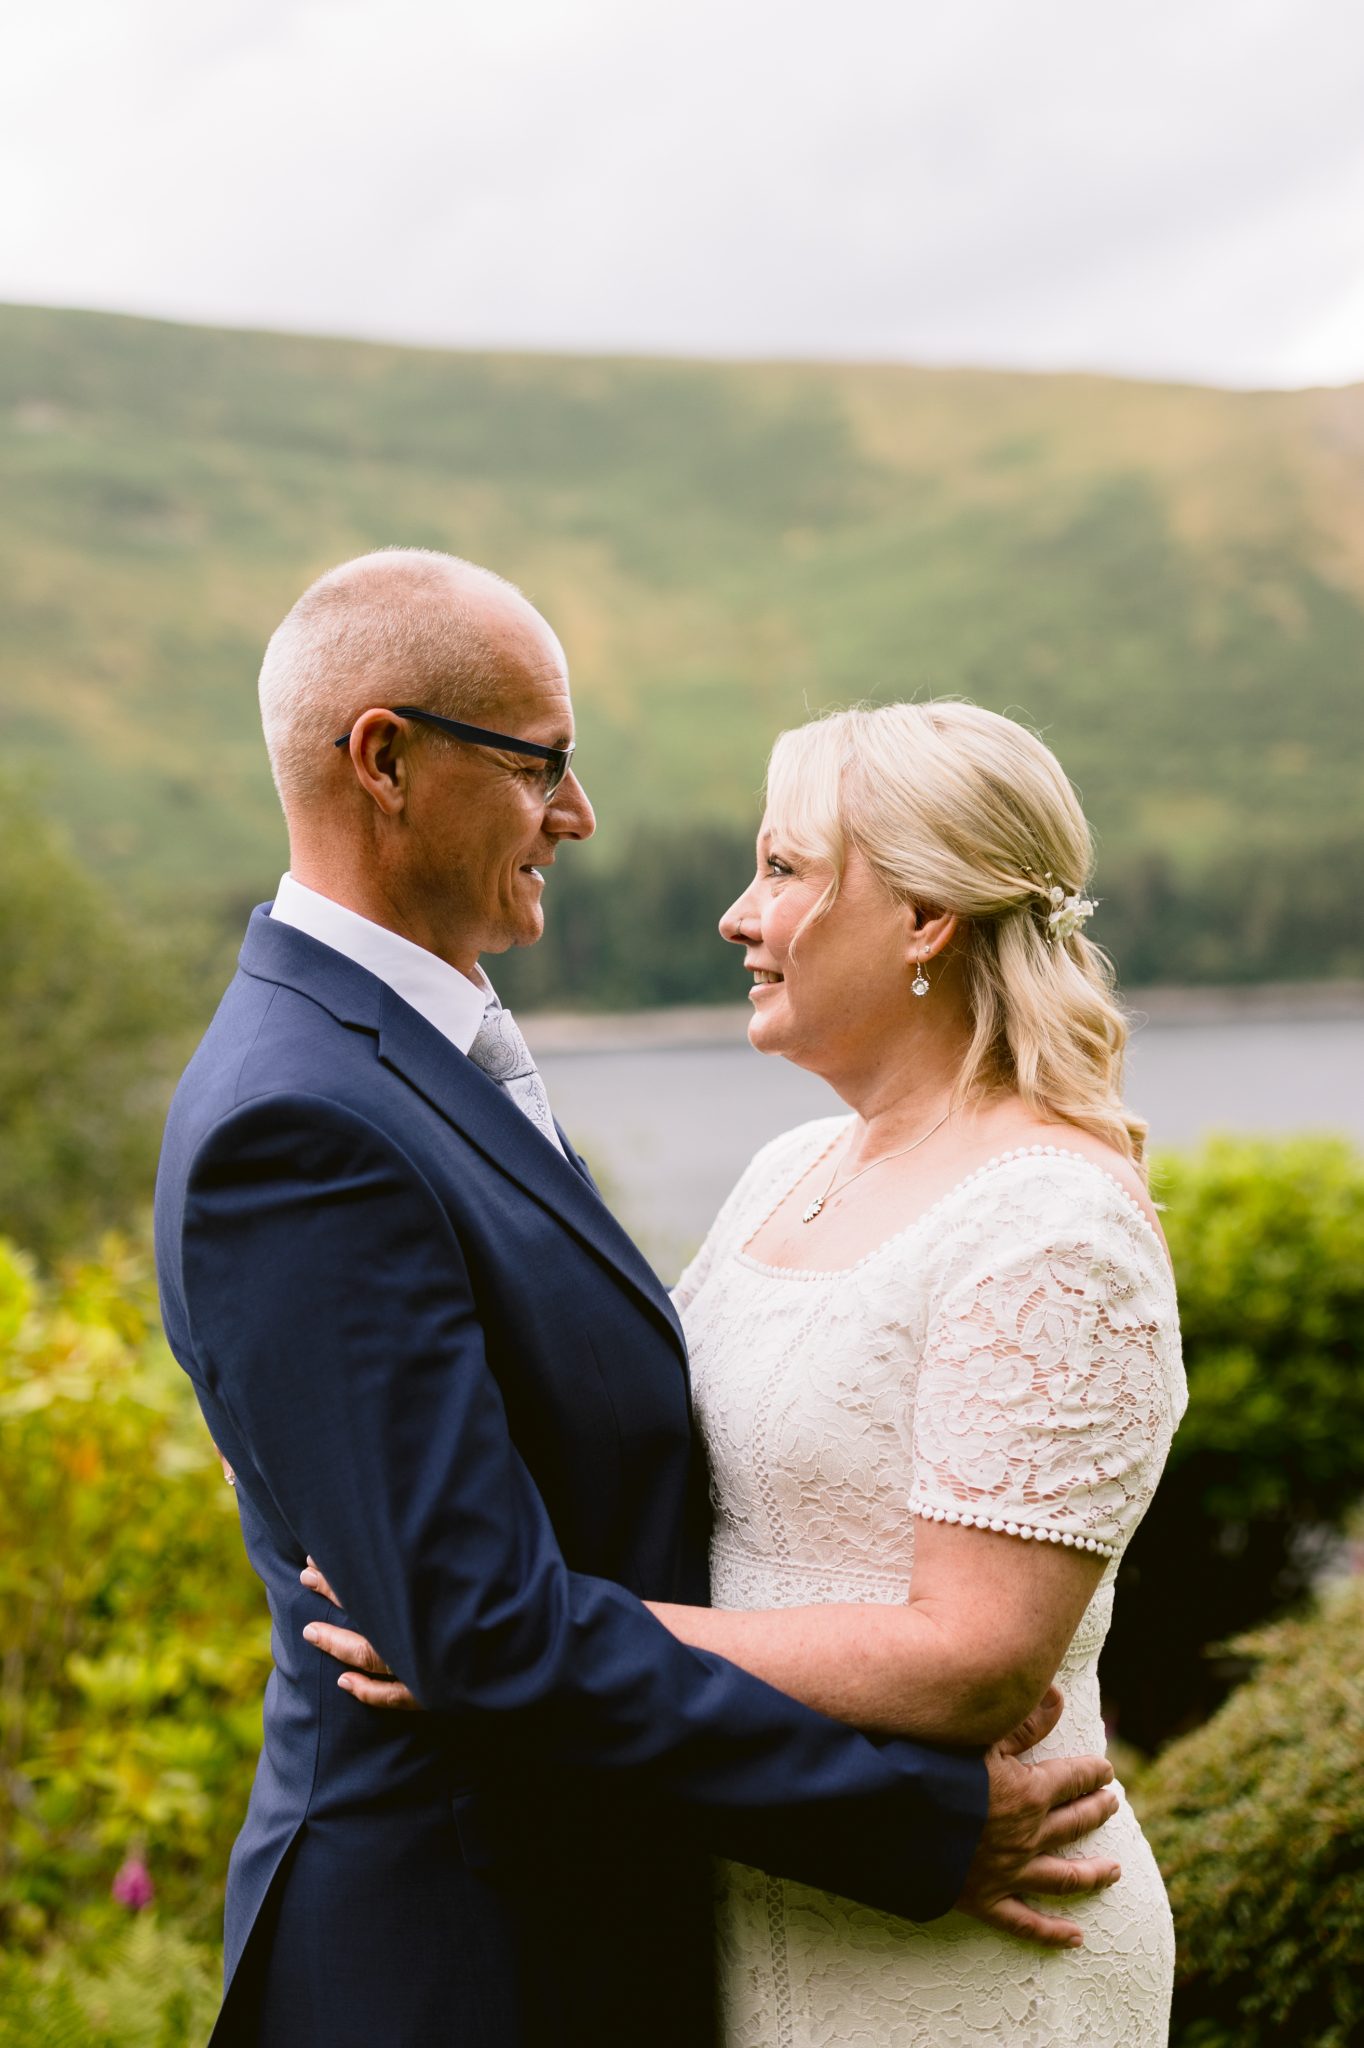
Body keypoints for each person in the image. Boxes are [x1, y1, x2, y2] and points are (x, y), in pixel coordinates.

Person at [155, 550, 1121, 2048]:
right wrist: (910, 1822)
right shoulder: (305, 1120)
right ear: (386, 758)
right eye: (542, 763)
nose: (579, 815)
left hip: (623, 1930)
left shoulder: (402, 1064)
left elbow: (515, 1534)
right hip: (458, 1966)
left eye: (787, 868)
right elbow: (481, 1632)